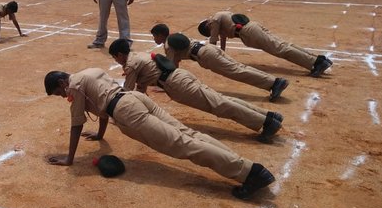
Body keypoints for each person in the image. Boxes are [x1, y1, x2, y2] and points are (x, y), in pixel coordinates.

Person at [44, 68, 276, 199]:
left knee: (183, 144)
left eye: (57, 92)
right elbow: (101, 106)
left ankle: (249, 172)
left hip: (127, 112)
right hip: (136, 98)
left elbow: (76, 125)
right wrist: (101, 135)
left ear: (62, 82)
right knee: (188, 134)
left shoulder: (73, 87)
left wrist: (69, 159)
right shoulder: (89, 72)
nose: (62, 96)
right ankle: (244, 166)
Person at [109, 39, 282, 143]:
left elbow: (127, 92)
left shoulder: (131, 64)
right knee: (219, 99)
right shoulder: (139, 55)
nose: (116, 61)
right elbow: (140, 89)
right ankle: (268, 116)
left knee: (219, 105)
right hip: (180, 77)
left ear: (119, 54)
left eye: (115, 57)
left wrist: (116, 115)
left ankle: (265, 123)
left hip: (176, 84)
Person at [150, 24, 288, 101]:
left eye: (155, 36)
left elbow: (172, 67)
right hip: (209, 49)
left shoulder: (168, 45)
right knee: (239, 68)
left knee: (237, 71)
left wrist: (164, 86)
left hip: (205, 56)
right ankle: (274, 82)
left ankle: (274, 83)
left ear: (161, 35)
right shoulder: (175, 35)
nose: (154, 39)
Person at [198, 11, 333, 77]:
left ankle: (316, 64)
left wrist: (213, 56)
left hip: (249, 32)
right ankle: (318, 60)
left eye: (208, 31)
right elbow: (221, 41)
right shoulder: (222, 17)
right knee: (283, 45)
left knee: (280, 49)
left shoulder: (214, 20)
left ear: (207, 26)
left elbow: (214, 41)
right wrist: (222, 55)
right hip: (252, 27)